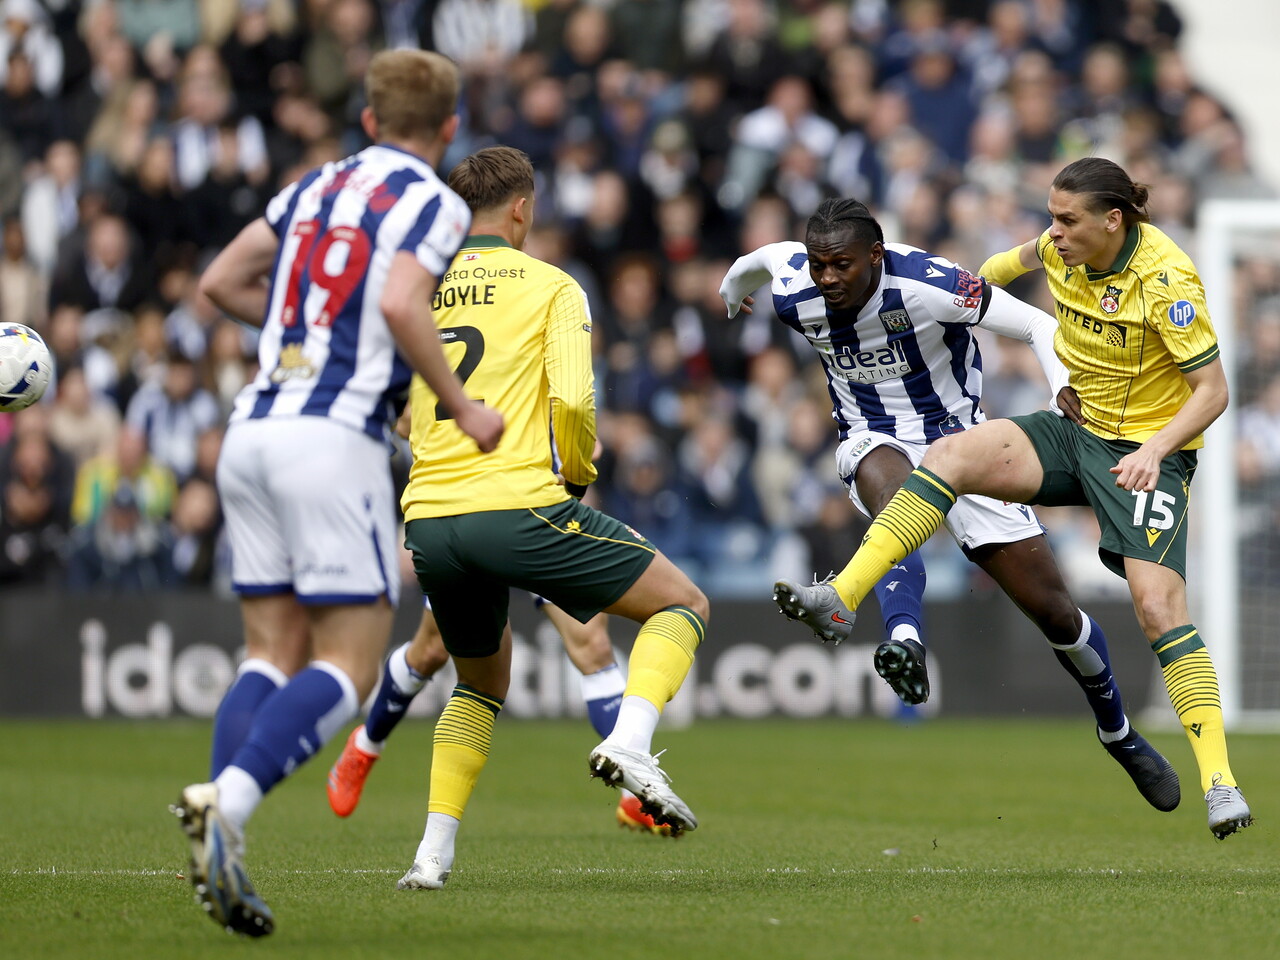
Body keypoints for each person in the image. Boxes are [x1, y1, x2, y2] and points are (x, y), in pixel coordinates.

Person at [782, 161, 1252, 840]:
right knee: (948, 455)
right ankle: (844, 596)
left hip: (1150, 454)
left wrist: (1154, 450)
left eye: (1066, 220)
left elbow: (1212, 392)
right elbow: (998, 271)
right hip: (1073, 429)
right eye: (1051, 216)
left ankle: (1219, 781)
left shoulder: (1168, 280)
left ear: (1112, 221)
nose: (1051, 233)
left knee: (1156, 608)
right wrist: (952, 302)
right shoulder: (1057, 246)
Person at [170, 49, 505, 938]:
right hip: (332, 442)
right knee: (351, 666)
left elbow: (220, 282)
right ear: (447, 128)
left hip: (252, 429)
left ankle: (221, 834)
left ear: (365, 120)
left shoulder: (314, 187)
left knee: (268, 651)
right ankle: (227, 806)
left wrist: (308, 342)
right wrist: (463, 404)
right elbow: (401, 303)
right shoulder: (433, 200)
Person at [719, 197, 1180, 816]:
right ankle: (905, 641)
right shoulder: (795, 285)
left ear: (876, 258)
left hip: (967, 446)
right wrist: (732, 290)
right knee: (897, 504)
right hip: (872, 439)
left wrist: (1058, 386)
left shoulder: (932, 286)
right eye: (818, 264)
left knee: (1057, 615)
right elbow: (760, 261)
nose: (826, 277)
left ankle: (1118, 734)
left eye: (841, 265)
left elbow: (1038, 326)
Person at [394, 145, 708, 892]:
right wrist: (577, 472)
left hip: (431, 519)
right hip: (518, 503)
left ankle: (429, 861)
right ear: (522, 209)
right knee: (682, 603)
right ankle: (631, 743)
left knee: (478, 688)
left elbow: (407, 413)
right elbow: (572, 403)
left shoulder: (419, 288)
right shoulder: (554, 285)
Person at [326, 598, 673, 835]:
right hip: (476, 510)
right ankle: (367, 743)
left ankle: (633, 794)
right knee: (430, 651)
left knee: (593, 645)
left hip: (543, 509)